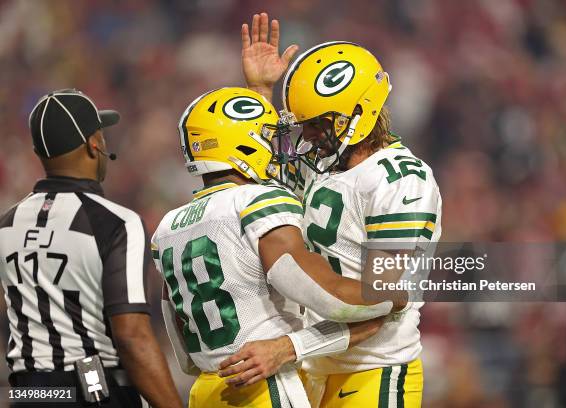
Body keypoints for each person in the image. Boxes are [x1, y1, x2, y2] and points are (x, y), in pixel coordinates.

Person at [224, 14, 443, 407]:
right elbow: (259, 175)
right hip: (316, 368)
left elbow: (384, 301)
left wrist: (289, 347)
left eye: (317, 125)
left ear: (357, 115)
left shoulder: (401, 181)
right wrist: (258, 91)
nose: (306, 137)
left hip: (373, 369)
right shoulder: (325, 166)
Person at [151, 87, 405, 408]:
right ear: (244, 142)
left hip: (206, 391)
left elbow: (182, 348)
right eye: (269, 138)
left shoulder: (168, 226)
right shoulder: (257, 201)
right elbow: (324, 294)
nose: (278, 150)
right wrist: (386, 295)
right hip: (261, 387)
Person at [0, 89, 182, 408]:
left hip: (27, 394)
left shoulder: (7, 223)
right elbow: (132, 336)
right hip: (91, 389)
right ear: (94, 143)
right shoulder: (117, 223)